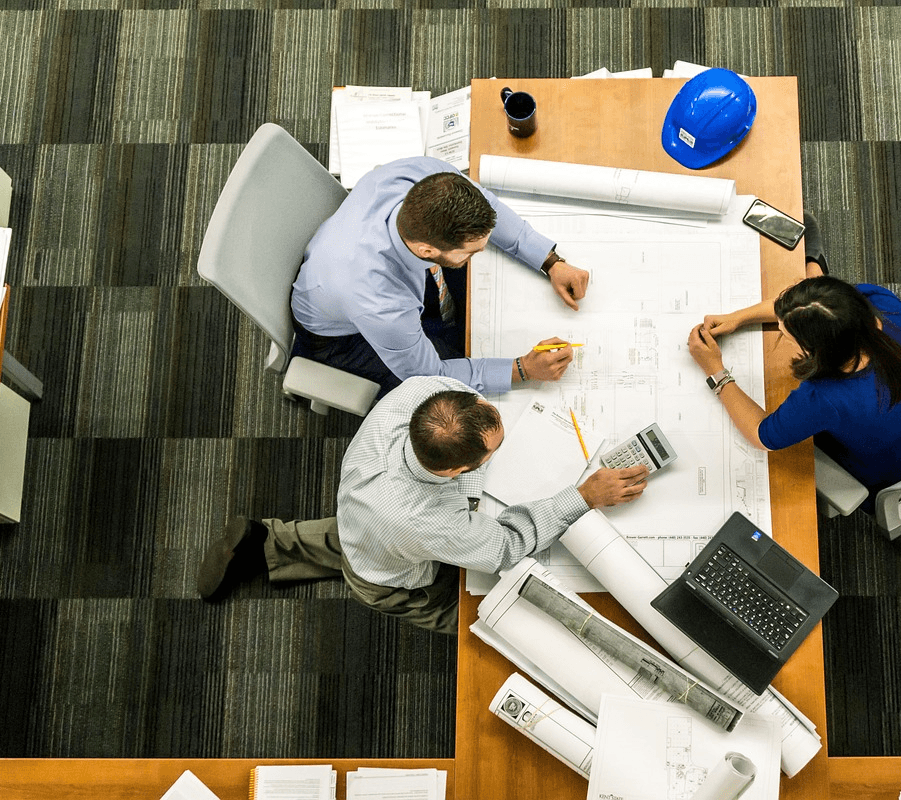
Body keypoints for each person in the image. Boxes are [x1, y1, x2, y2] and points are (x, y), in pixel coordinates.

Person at [196, 376, 648, 633]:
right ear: (456, 471)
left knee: (360, 535)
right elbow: (506, 547)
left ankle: (267, 541)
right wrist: (583, 496)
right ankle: (483, 627)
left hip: (364, 513)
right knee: (478, 616)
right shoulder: (426, 521)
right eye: (493, 451)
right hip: (390, 576)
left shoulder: (419, 395)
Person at [685, 218, 901, 545]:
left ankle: (813, 262)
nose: (781, 332)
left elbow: (762, 435)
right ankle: (813, 263)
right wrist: (738, 317)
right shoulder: (880, 304)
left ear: (815, 352)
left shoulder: (824, 397)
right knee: (809, 246)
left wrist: (716, 372)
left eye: (786, 334)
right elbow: (818, 307)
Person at [291, 156, 591, 397]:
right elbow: (430, 375)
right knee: (454, 391)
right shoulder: (380, 302)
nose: (482, 252)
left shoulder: (424, 174)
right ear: (426, 249)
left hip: (350, 269)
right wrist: (523, 369)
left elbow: (490, 207)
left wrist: (550, 261)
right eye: (471, 251)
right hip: (342, 338)